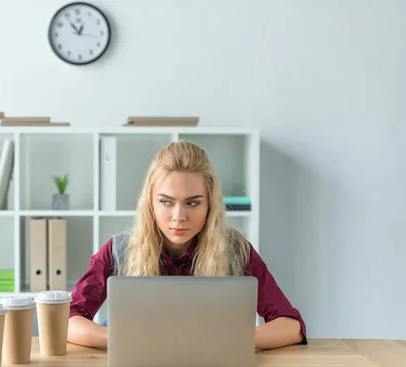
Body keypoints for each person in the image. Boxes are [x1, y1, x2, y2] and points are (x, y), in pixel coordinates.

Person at [67, 140, 307, 350]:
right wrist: (127, 339)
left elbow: (292, 326)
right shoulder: (118, 250)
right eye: (166, 202)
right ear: (151, 203)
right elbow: (68, 320)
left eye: (192, 203)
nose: (178, 216)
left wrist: (230, 340)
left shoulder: (236, 250)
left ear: (209, 205)